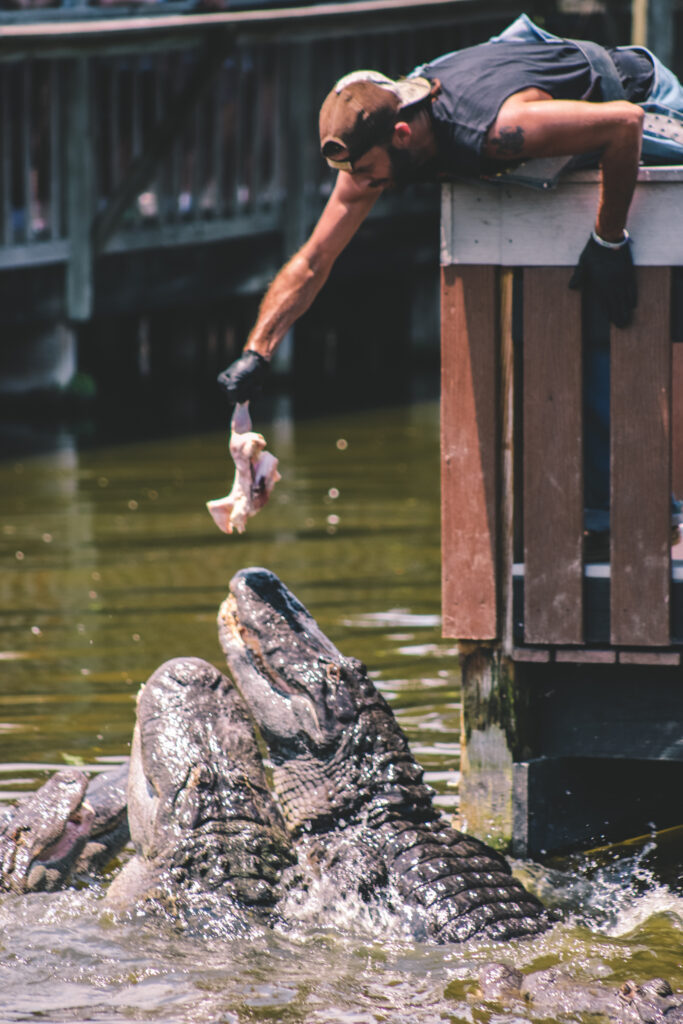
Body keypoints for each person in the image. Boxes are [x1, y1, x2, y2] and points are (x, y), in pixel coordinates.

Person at [217, 15, 683, 546]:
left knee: (624, 300)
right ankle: (605, 515)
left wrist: (609, 240)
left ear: (402, 133)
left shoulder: (493, 131)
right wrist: (258, 351)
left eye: (369, 171)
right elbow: (312, 260)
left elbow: (621, 123)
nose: (366, 186)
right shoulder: (388, 135)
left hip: (646, 99)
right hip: (556, 108)